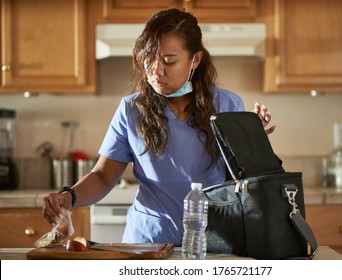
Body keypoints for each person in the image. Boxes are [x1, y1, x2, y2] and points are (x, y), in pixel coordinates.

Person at [42, 8, 276, 246]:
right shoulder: (131, 108)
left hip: (211, 241)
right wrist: (69, 197)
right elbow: (103, 176)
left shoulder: (227, 104)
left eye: (169, 61)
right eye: (149, 58)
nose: (156, 71)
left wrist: (251, 143)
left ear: (195, 59)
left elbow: (239, 182)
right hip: (147, 242)